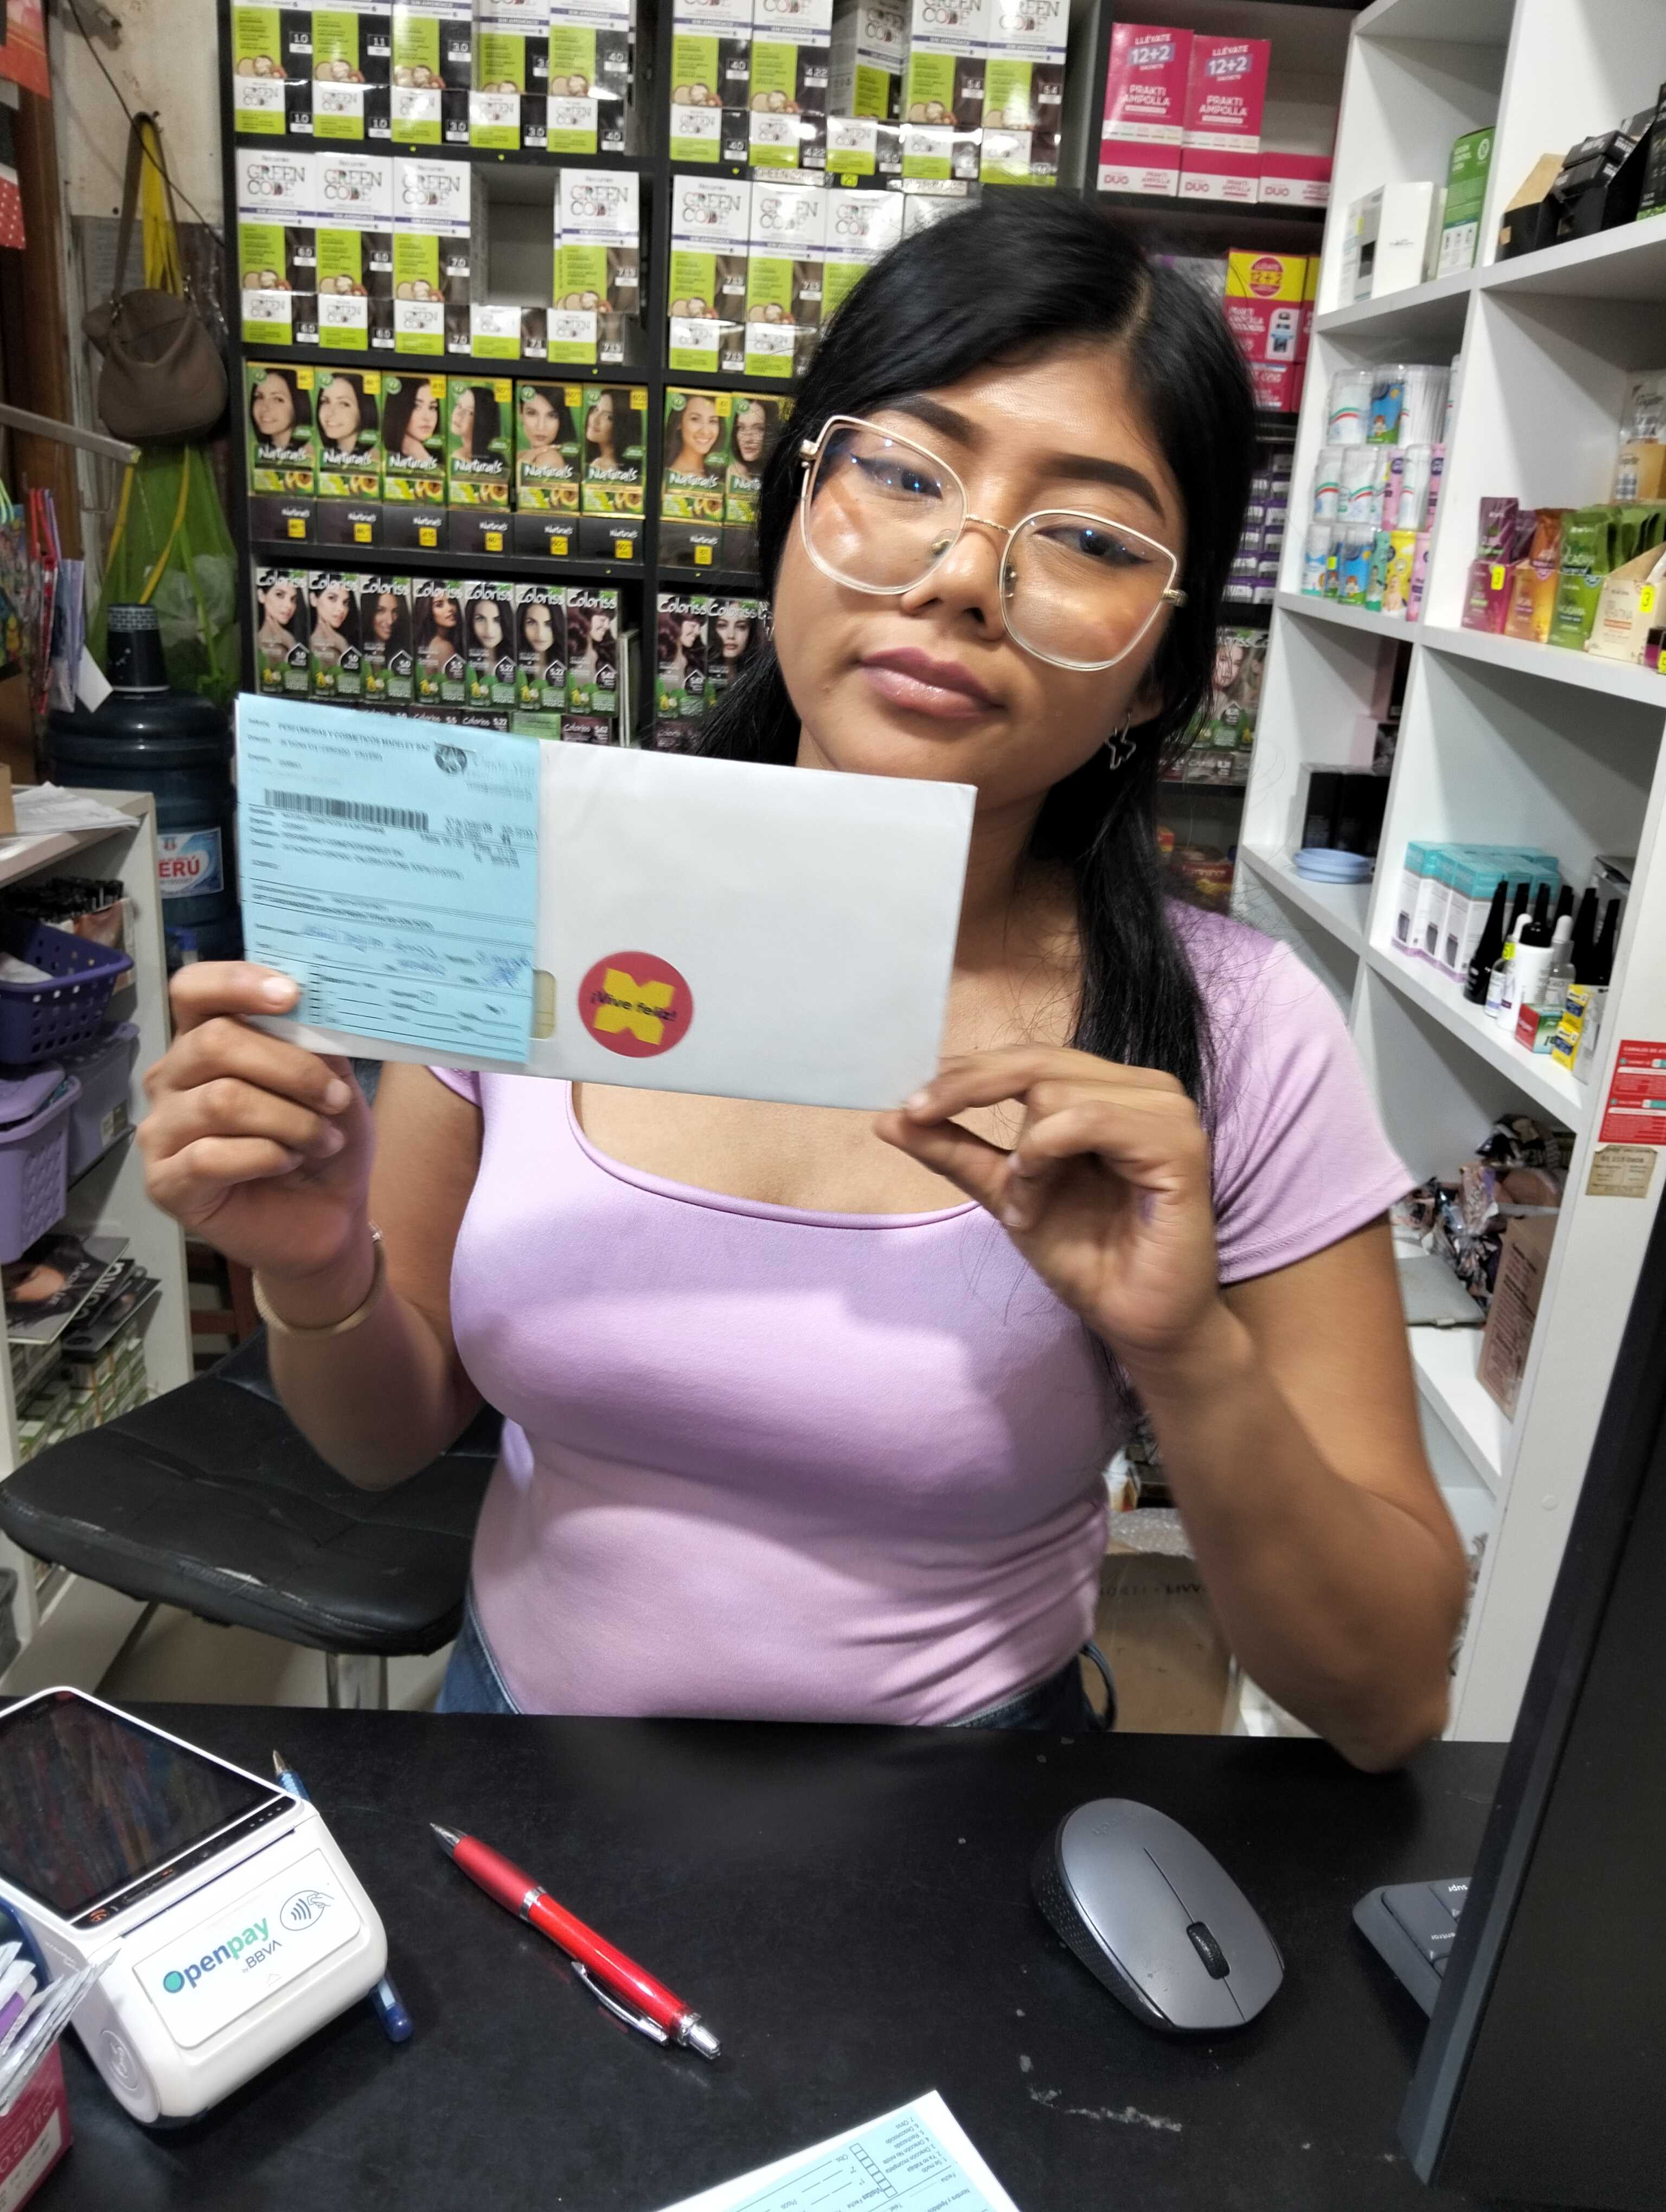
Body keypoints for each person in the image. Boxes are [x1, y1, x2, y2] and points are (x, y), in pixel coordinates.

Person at [140, 197, 1465, 1763]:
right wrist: (313, 1267)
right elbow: (384, 1439)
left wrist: (1187, 1352)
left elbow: (1385, 1698)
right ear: (794, 518)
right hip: (524, 1764)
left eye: (1091, 539)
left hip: (963, 1815)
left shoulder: (1233, 1035)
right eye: (905, 472)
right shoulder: (527, 902)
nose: (964, 574)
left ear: (1159, 672)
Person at [516, 385, 576, 492]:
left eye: (552, 416)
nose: (541, 426)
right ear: (520, 413)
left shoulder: (549, 459)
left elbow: (531, 500)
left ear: (561, 419)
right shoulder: (521, 456)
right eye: (532, 413)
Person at [248, 369, 312, 459]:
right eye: (260, 397)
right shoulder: (252, 452)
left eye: (278, 399)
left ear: (298, 404)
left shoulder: (310, 456)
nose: (265, 407)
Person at [664, 391, 726, 484]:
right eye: (695, 419)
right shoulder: (665, 477)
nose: (705, 431)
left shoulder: (723, 477)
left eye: (713, 421)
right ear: (679, 423)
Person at [317, 374, 374, 467]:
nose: (330, 413)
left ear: (364, 409)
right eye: (326, 401)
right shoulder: (315, 456)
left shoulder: (376, 460)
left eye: (344, 404)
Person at [381, 378, 441, 467]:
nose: (427, 417)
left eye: (432, 407)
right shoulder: (383, 458)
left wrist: (420, 454)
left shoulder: (442, 456)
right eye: (416, 406)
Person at [255, 574, 304, 673]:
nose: (289, 606)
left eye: (293, 600)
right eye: (280, 595)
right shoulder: (253, 642)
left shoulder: (293, 640)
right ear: (261, 595)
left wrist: (290, 643)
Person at [308, 577, 355, 670]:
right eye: (332, 598)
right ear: (313, 599)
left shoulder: (346, 643)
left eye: (345, 603)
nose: (341, 609)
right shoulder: (307, 648)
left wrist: (343, 646)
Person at [566, 602, 614, 691]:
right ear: (584, 617)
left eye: (609, 621)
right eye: (603, 620)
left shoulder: (606, 653)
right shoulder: (565, 652)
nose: (607, 626)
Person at [413, 587, 461, 675]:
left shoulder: (431, 644)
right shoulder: (444, 647)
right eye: (439, 605)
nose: (450, 608)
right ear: (426, 610)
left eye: (451, 602)